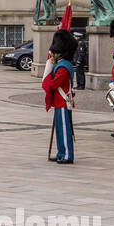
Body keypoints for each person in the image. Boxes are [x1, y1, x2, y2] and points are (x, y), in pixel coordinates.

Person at [42, 28, 77, 164]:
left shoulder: (63, 67)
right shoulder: (62, 64)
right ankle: (61, 152)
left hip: (62, 102)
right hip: (59, 102)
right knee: (59, 130)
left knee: (64, 130)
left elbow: (53, 84)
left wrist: (47, 76)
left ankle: (67, 154)